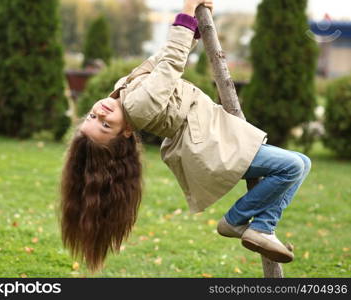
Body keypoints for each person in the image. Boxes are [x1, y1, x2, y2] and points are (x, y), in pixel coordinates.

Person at [60, 0, 311, 272]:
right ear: (126, 133)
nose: (100, 112)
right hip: (212, 147)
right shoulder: (137, 107)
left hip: (214, 138)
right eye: (105, 126)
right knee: (292, 167)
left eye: (92, 117)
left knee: (303, 163)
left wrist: (195, 29)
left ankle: (259, 228)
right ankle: (243, 221)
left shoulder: (124, 91)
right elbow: (170, 65)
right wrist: (188, 9)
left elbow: (161, 59)